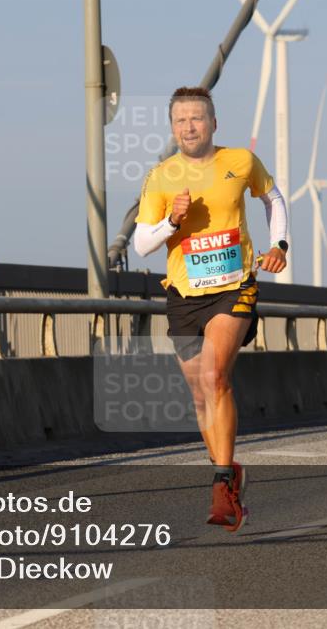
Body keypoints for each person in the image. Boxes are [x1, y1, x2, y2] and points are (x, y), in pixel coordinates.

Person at [132, 86, 288, 532]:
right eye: (180, 120)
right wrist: (172, 221)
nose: (188, 127)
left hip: (233, 287)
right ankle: (231, 471)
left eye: (197, 118)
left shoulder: (238, 162)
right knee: (200, 394)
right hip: (183, 295)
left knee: (215, 375)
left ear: (214, 123)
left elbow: (272, 198)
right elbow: (142, 244)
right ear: (172, 126)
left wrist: (279, 244)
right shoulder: (161, 176)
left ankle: (221, 483)